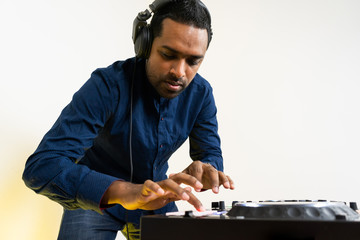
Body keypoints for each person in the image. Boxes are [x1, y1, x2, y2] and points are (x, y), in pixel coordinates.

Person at [22, 0, 234, 239]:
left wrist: (207, 169)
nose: (180, 72)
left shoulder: (201, 94)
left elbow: (210, 155)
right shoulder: (106, 85)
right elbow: (42, 166)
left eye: (193, 61)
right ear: (144, 44)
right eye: (168, 54)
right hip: (97, 196)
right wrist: (124, 191)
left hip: (156, 196)